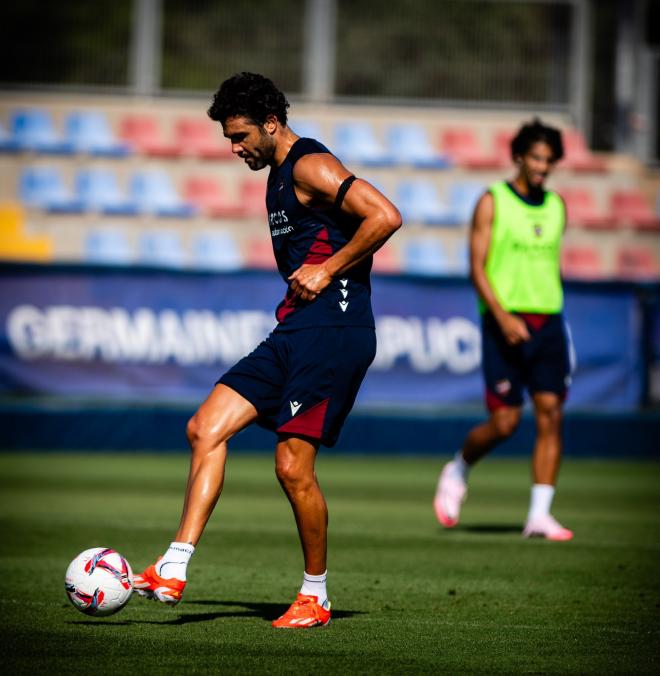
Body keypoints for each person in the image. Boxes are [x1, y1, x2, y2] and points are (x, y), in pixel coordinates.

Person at [132, 73, 402, 628]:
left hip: (335, 329)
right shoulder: (277, 171)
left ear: (271, 124)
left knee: (291, 467)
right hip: (295, 329)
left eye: (239, 136)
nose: (234, 148)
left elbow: (386, 215)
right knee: (205, 427)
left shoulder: (308, 163)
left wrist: (327, 269)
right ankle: (174, 567)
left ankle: (315, 596)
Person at [434, 118, 574, 541]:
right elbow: (476, 267)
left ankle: (539, 515)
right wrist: (501, 315)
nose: (542, 167)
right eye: (536, 158)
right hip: (503, 320)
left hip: (548, 320)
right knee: (505, 423)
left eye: (549, 161)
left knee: (550, 414)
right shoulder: (493, 201)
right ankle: (458, 467)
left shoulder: (556, 207)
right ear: (518, 157)